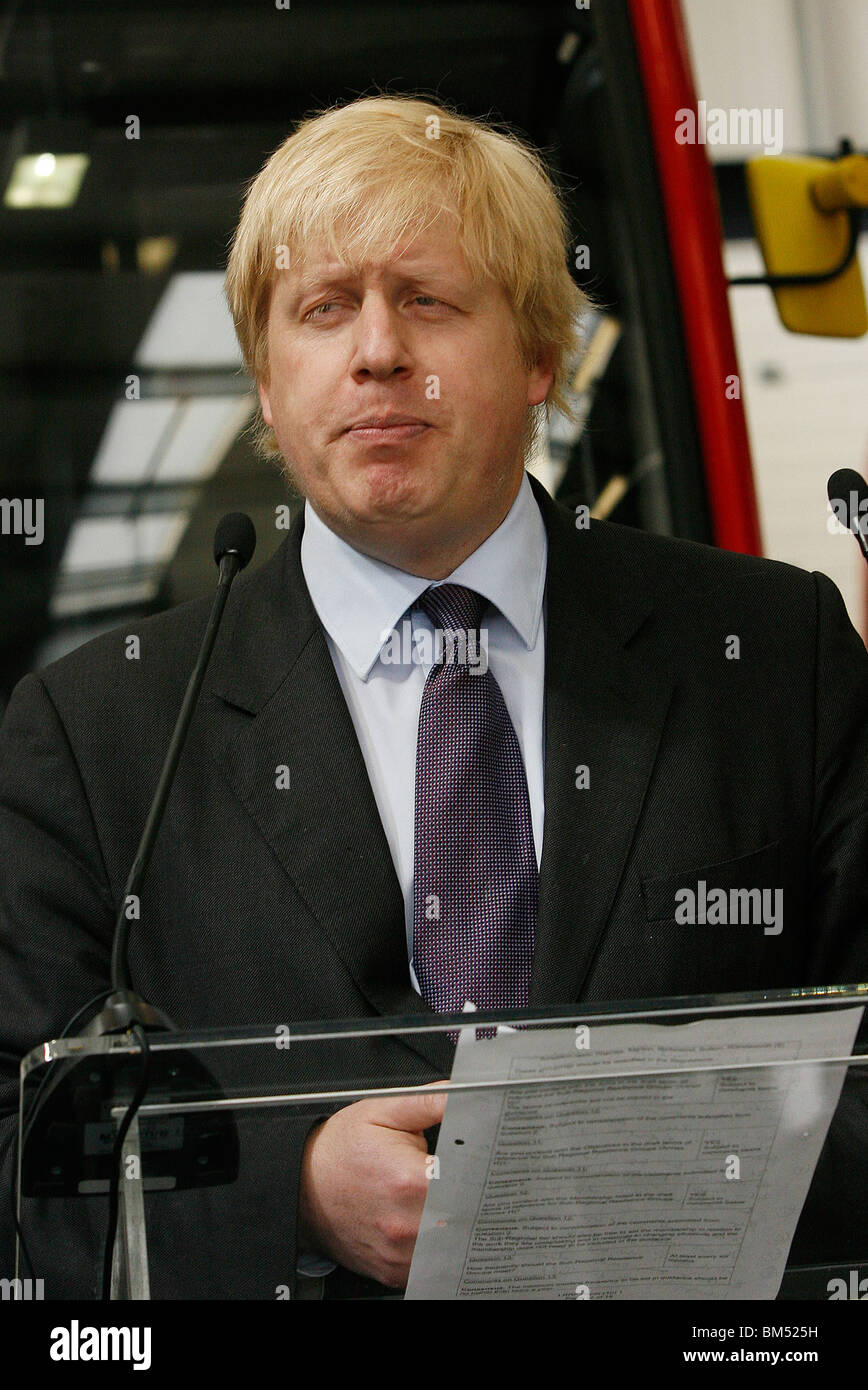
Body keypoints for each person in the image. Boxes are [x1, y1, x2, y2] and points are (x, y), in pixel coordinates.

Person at [1, 94, 866, 1300]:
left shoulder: (774, 651)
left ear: (537, 357)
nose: (375, 352)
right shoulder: (92, 734)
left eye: (428, 299)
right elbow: (21, 1137)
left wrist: (595, 1191)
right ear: (264, 376)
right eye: (322, 308)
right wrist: (291, 1190)